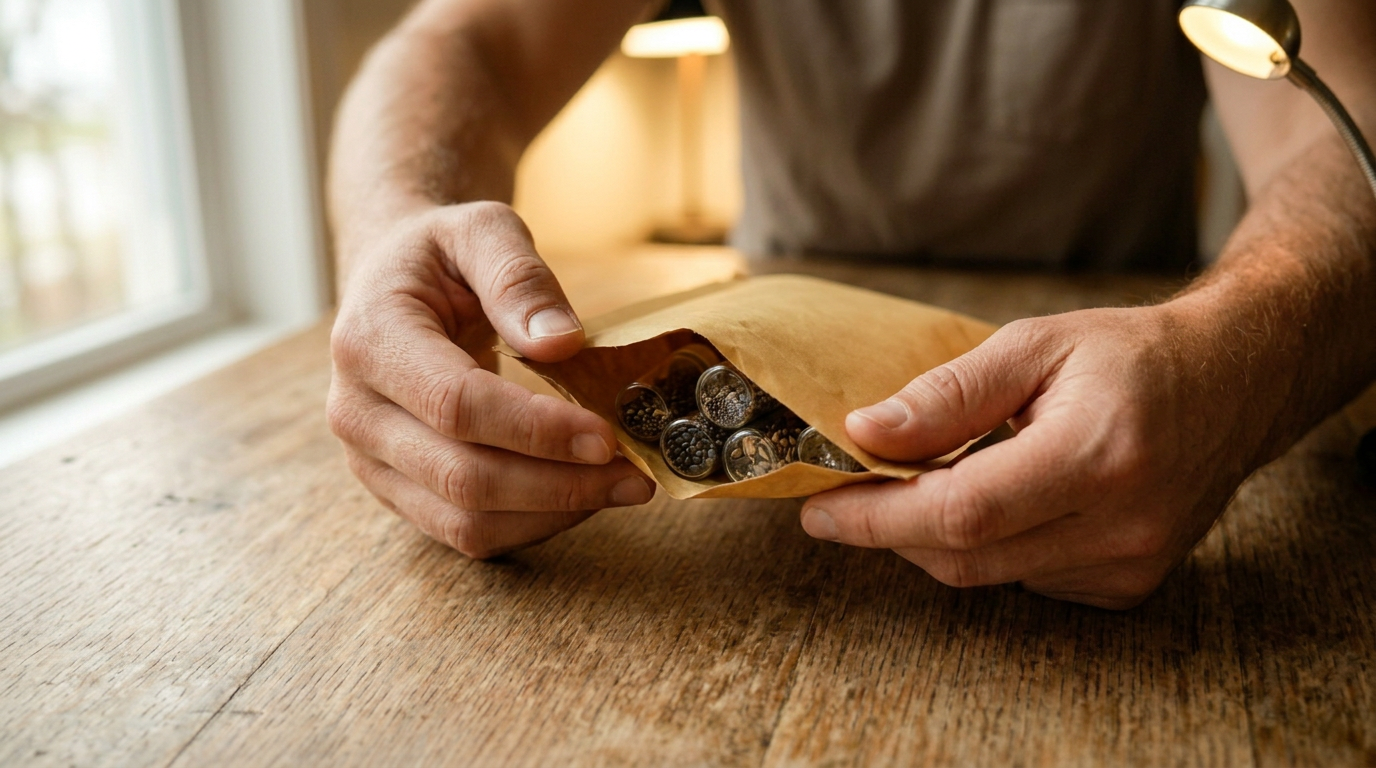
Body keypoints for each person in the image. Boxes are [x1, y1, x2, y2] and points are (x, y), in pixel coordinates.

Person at [325, 0, 1376, 609]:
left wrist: (1229, 355)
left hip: (1111, 354)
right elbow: (469, 38)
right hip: (764, 332)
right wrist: (393, 222)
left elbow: (1342, 124)